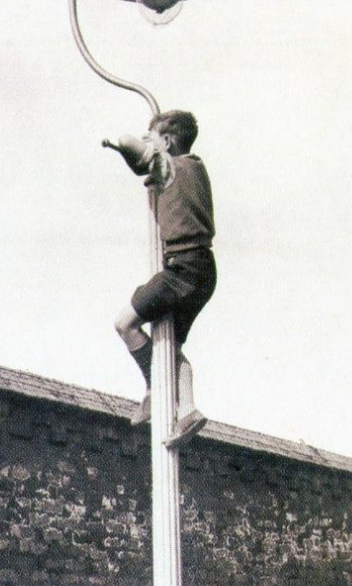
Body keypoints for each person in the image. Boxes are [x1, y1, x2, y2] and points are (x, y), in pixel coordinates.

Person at [104, 109, 216, 447]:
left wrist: (118, 144)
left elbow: (130, 145)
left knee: (125, 323)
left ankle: (154, 388)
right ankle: (189, 410)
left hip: (181, 268)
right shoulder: (197, 168)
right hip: (205, 269)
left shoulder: (169, 166)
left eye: (151, 138)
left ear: (166, 142)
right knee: (172, 348)